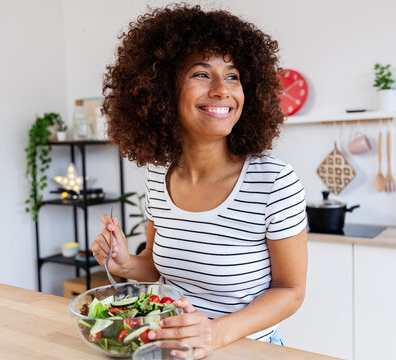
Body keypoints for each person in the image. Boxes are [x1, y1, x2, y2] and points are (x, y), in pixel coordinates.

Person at [91, 4, 307, 358]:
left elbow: (291, 290)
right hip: (171, 349)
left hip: (248, 351)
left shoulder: (273, 181)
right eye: (202, 74)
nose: (223, 89)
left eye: (233, 75)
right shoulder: (160, 176)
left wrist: (215, 334)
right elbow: (158, 266)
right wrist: (125, 263)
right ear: (162, 91)